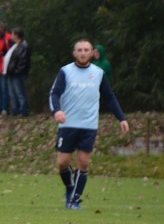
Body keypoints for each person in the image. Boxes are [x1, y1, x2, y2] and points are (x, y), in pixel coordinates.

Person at [49, 39, 129, 210]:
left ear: (92, 53)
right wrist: (57, 111)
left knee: (83, 163)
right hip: (68, 124)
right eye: (79, 50)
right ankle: (69, 188)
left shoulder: (98, 73)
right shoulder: (65, 71)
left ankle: (74, 200)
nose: (83, 53)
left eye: (86, 50)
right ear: (74, 53)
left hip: (89, 125)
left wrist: (121, 118)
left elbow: (109, 97)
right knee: (62, 162)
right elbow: (54, 93)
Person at [3, 29, 30, 116]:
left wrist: (16, 71)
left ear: (16, 35)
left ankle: (23, 110)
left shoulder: (23, 46)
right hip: (11, 73)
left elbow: (22, 62)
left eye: (12, 34)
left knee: (19, 92)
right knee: (12, 93)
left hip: (17, 74)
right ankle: (15, 110)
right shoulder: (15, 45)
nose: (11, 36)